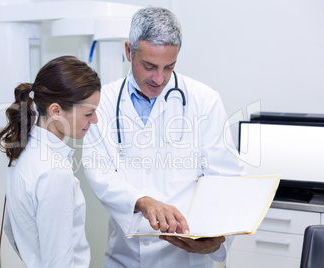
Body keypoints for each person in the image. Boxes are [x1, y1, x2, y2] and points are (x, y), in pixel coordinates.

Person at [82, 7, 246, 268]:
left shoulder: (204, 100)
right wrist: (143, 202)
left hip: (187, 258)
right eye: (149, 66)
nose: (159, 79)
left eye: (169, 67)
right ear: (128, 51)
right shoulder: (103, 102)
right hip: (126, 258)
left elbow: (225, 177)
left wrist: (217, 240)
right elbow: (99, 171)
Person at [0, 56, 100, 267]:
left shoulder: (22, 151)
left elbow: (11, 230)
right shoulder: (54, 172)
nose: (95, 120)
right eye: (88, 113)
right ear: (56, 111)